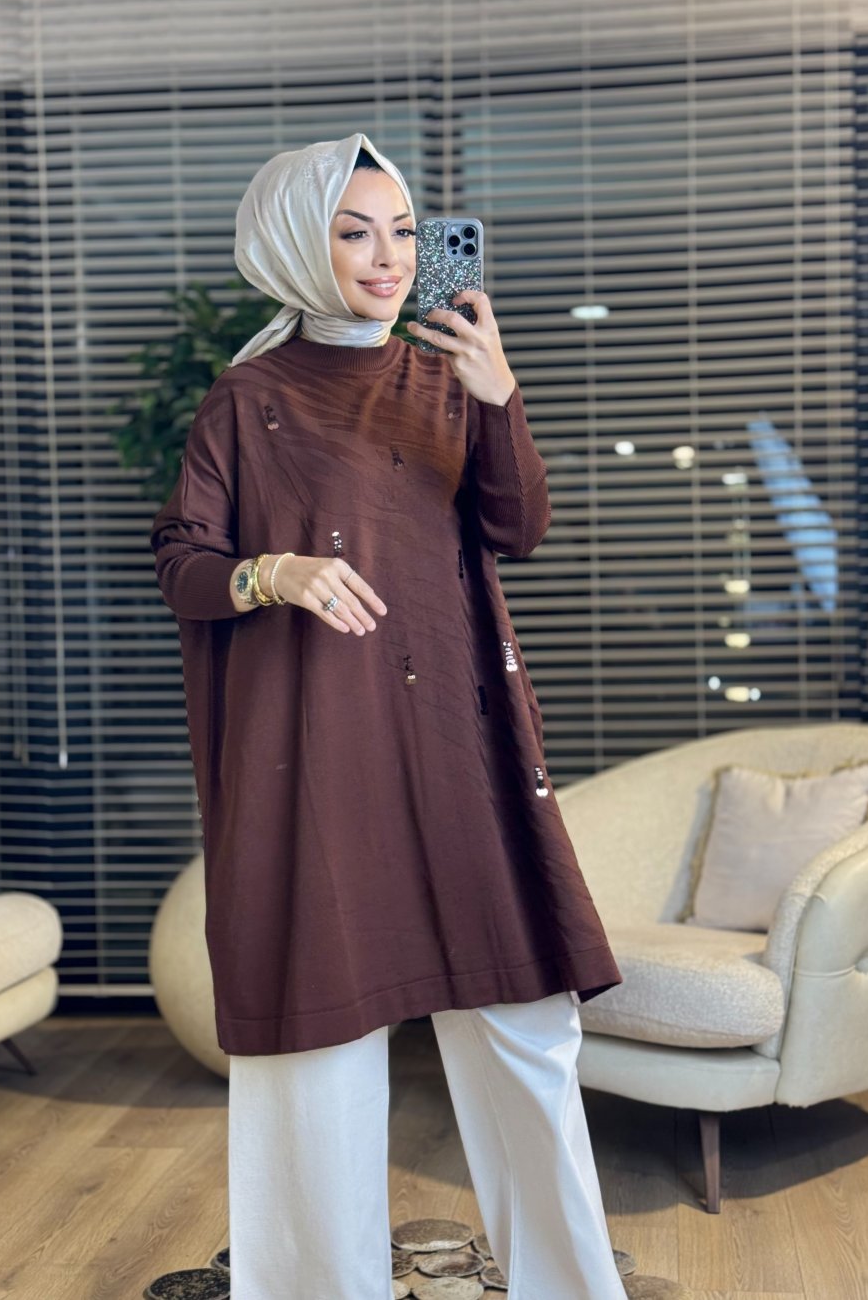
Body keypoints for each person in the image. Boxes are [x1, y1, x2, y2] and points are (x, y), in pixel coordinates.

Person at [150, 132, 627, 1299]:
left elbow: (516, 527)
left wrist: (498, 397)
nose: (388, 256)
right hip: (323, 752)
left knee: (525, 1025)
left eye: (404, 231)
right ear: (292, 245)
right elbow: (182, 562)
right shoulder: (248, 399)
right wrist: (274, 572)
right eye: (353, 231)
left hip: (457, 746)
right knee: (317, 1048)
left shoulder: (446, 375)